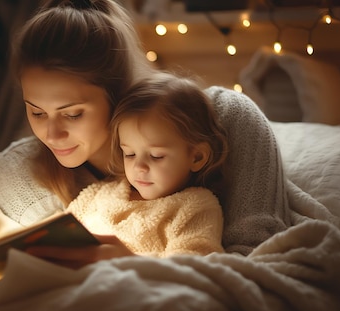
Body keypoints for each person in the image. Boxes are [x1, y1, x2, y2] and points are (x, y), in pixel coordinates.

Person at [0, 0, 290, 278]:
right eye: (36, 112)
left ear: (117, 95)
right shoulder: (19, 173)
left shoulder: (225, 119)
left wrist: (133, 267)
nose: (51, 134)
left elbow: (261, 261)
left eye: (73, 113)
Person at [66, 72, 228, 257]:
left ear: (197, 157)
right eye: (130, 154)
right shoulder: (99, 195)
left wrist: (126, 259)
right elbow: (61, 232)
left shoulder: (195, 206)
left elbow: (192, 265)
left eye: (156, 156)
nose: (139, 167)